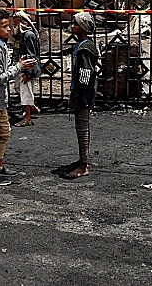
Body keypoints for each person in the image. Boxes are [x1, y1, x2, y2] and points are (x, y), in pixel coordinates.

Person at [0, 8, 37, 186]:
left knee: (4, 132)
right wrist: (19, 67)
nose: (9, 29)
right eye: (4, 26)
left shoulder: (0, 45)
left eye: (8, 26)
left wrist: (20, 65)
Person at [66, 12, 100, 179]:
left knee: (82, 128)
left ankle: (83, 165)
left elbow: (85, 74)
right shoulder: (83, 45)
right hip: (83, 93)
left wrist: (77, 94)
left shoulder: (85, 48)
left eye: (76, 24)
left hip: (83, 95)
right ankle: (82, 160)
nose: (72, 26)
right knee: (82, 127)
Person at [12, 11, 40, 127]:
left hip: (27, 68)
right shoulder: (21, 35)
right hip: (22, 66)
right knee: (18, 87)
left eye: (15, 20)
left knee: (25, 91)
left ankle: (27, 118)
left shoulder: (28, 35)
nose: (13, 23)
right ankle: (32, 106)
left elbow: (31, 55)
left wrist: (27, 72)